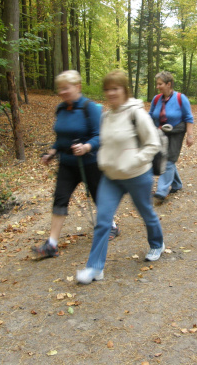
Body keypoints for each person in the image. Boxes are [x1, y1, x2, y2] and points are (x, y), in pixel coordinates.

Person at [76, 70, 163, 284]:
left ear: (125, 90)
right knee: (103, 221)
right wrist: (102, 161)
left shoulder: (136, 114)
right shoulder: (106, 116)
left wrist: (134, 161)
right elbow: (106, 144)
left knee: (146, 213)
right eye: (107, 89)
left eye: (115, 88)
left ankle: (157, 243)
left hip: (137, 175)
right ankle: (95, 267)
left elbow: (153, 144)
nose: (111, 93)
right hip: (111, 177)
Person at [32, 70, 119, 259]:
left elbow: (100, 135)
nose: (62, 92)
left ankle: (111, 225)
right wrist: (51, 152)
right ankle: (52, 244)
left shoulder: (90, 108)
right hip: (67, 164)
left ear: (77, 87)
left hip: (90, 162)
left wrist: (87, 146)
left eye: (66, 88)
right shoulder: (61, 109)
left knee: (99, 196)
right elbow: (60, 138)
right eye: (60, 89)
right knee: (60, 198)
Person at [149, 71, 194, 203]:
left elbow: (188, 118)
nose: (158, 87)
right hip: (159, 133)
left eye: (160, 84)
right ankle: (177, 184)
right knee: (162, 157)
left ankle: (161, 191)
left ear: (169, 84)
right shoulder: (156, 99)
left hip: (176, 132)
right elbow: (151, 115)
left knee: (169, 160)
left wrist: (190, 135)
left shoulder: (181, 98)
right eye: (157, 84)